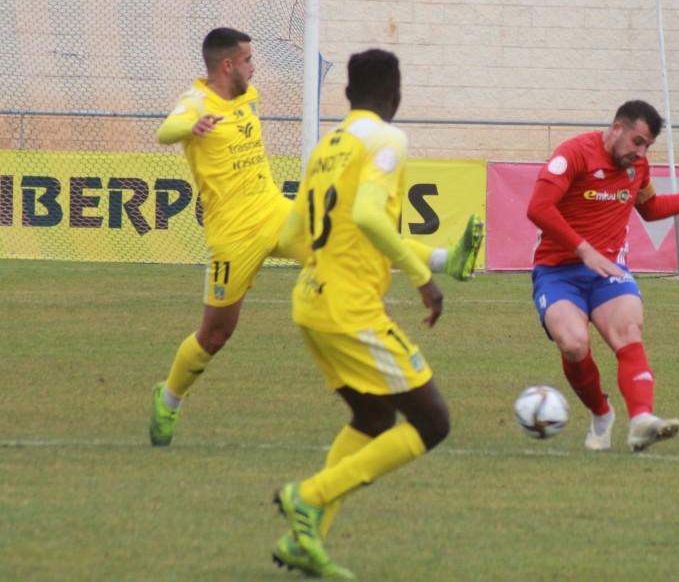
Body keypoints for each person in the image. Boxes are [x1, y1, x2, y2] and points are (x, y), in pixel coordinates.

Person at [148, 29, 483, 448]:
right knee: (214, 336)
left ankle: (445, 259)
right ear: (227, 65)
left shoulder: (246, 97)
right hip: (232, 235)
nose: (255, 66)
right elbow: (166, 130)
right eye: (248, 60)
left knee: (348, 240)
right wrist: (189, 125)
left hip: (274, 213)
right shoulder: (197, 101)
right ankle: (169, 398)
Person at [271, 49, 467, 579]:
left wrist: (340, 263)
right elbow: (365, 216)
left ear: (346, 94)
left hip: (310, 303)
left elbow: (290, 238)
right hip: (350, 310)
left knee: (373, 418)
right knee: (433, 422)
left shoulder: (326, 148)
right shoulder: (387, 139)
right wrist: (425, 280)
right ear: (396, 96)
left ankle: (303, 541)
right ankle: (308, 496)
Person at [526, 100, 679, 453]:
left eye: (647, 146)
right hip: (557, 271)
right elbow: (538, 208)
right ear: (616, 130)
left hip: (608, 269)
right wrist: (584, 250)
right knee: (574, 344)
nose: (640, 153)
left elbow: (651, 208)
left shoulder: (637, 168)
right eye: (637, 142)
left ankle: (641, 419)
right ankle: (601, 413)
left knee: (628, 331)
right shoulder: (574, 154)